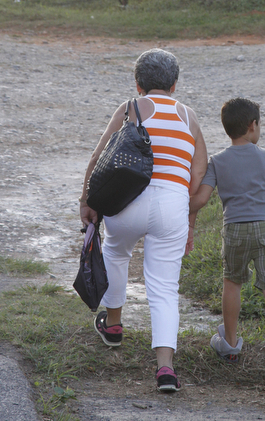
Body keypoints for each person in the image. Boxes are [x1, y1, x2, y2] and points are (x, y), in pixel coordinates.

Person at [80, 49, 207, 393]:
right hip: (172, 206)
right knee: (164, 287)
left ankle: (115, 324)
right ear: (175, 85)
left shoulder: (130, 109)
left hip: (128, 199)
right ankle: (165, 369)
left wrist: (86, 202)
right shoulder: (189, 117)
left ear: (138, 84)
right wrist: (190, 221)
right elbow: (199, 177)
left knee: (116, 251)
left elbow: (100, 154)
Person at [188, 97, 265, 395]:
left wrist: (181, 206)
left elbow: (200, 199)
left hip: (235, 231)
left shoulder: (218, 161)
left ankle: (229, 343)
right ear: (253, 126)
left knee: (233, 283)